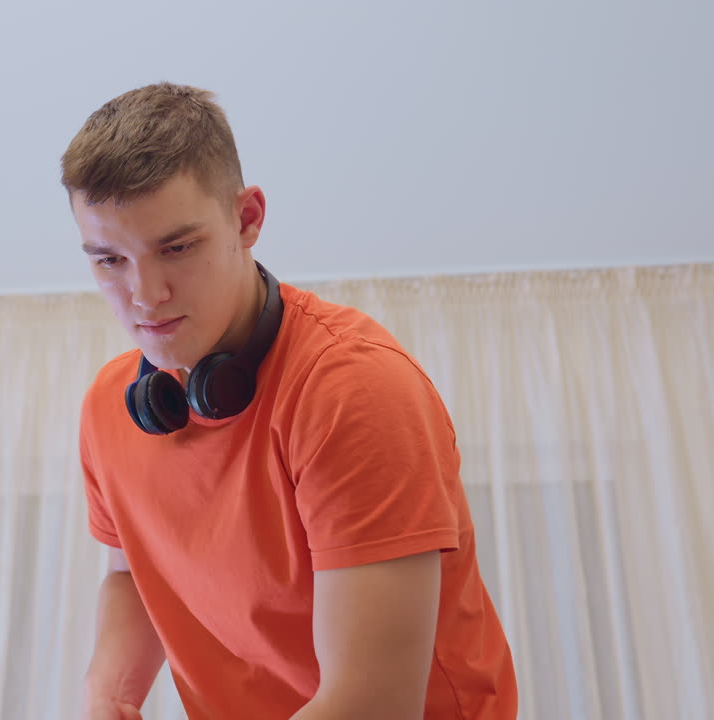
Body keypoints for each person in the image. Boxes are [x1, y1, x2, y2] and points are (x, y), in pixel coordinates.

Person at [60, 82, 518, 720]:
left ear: (247, 219)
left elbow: (372, 703)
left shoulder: (353, 390)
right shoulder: (111, 407)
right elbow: (133, 573)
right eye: (109, 260)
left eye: (176, 248)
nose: (145, 295)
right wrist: (106, 697)